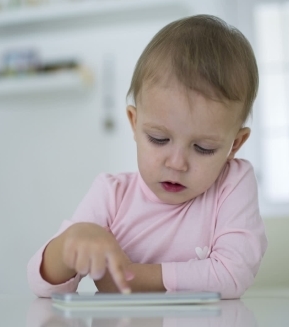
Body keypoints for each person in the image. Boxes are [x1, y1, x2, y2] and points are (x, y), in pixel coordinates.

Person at [27, 14, 267, 299]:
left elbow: (232, 273)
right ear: (134, 123)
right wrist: (68, 246)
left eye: (203, 148)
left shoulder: (233, 182)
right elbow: (40, 284)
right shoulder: (111, 194)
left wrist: (131, 277)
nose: (177, 163)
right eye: (159, 139)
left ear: (235, 144)